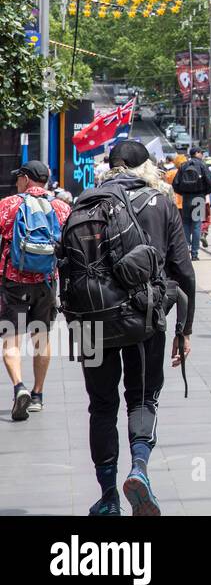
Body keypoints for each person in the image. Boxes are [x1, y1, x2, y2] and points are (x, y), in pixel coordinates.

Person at [73, 141, 195, 516]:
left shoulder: (84, 202)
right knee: (142, 398)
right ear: (146, 168)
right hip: (144, 318)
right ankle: (139, 468)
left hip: (90, 321)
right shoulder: (160, 202)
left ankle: (108, 495)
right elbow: (183, 269)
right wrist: (184, 329)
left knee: (101, 405)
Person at [0, 160, 70, 420]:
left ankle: (19, 387)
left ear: (26, 180)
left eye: (20, 177)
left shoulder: (8, 205)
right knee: (41, 338)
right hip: (46, 281)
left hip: (12, 281)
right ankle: (38, 395)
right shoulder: (60, 207)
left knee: (12, 338)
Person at [170, 149, 211, 261]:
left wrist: (183, 193)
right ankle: (194, 253)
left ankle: (186, 249)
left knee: (186, 224)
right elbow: (210, 182)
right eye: (201, 153)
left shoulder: (183, 165)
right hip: (199, 197)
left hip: (186, 198)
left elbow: (175, 184)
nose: (202, 155)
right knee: (197, 225)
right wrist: (204, 192)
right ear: (197, 153)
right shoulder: (202, 165)